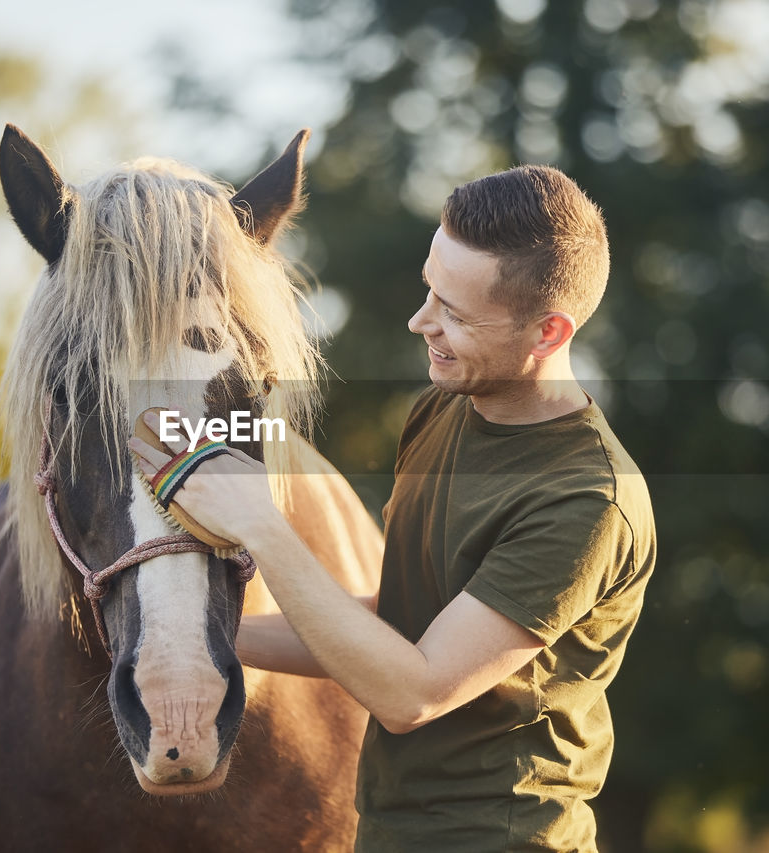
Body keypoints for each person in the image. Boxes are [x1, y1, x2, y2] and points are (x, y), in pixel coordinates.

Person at [130, 165, 657, 852]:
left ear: (547, 332)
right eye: (429, 289)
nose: (421, 321)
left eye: (455, 313)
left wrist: (258, 520)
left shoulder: (585, 499)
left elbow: (413, 690)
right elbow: (399, 625)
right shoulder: (443, 406)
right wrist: (200, 633)